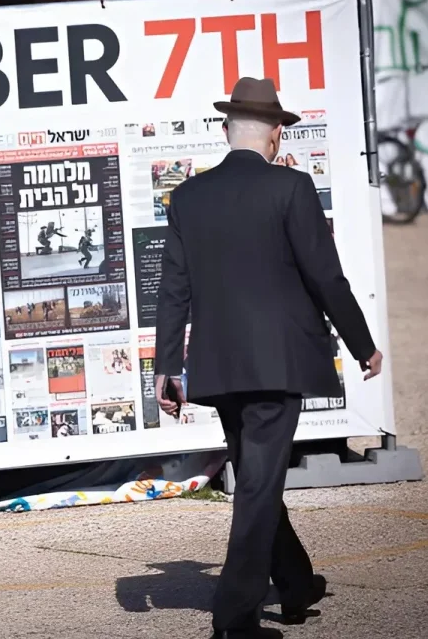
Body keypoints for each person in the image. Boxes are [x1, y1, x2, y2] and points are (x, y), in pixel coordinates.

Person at [154, 77, 383, 639]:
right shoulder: (292, 188)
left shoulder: (187, 196)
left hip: (218, 366)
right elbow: (325, 276)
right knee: (258, 482)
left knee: (259, 476)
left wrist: (166, 367)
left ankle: (297, 584)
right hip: (277, 362)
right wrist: (363, 344)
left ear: (226, 129)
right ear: (277, 134)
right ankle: (235, 618)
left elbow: (173, 289)